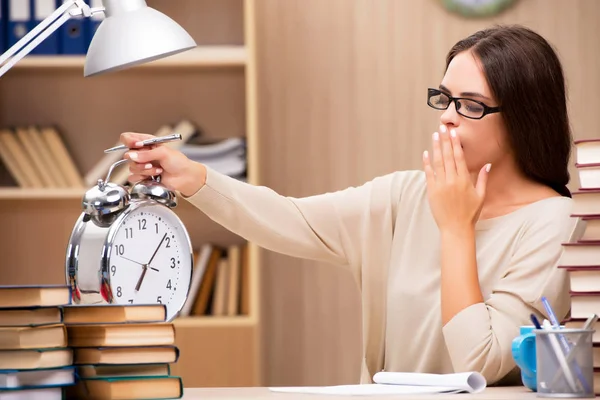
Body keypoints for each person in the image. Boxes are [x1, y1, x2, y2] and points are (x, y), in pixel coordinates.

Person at [119, 24, 574, 386]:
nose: (448, 115)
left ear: (523, 118)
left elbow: (483, 360)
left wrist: (456, 229)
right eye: (444, 98)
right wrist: (194, 177)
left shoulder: (555, 225)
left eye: (471, 105)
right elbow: (290, 219)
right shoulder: (406, 195)